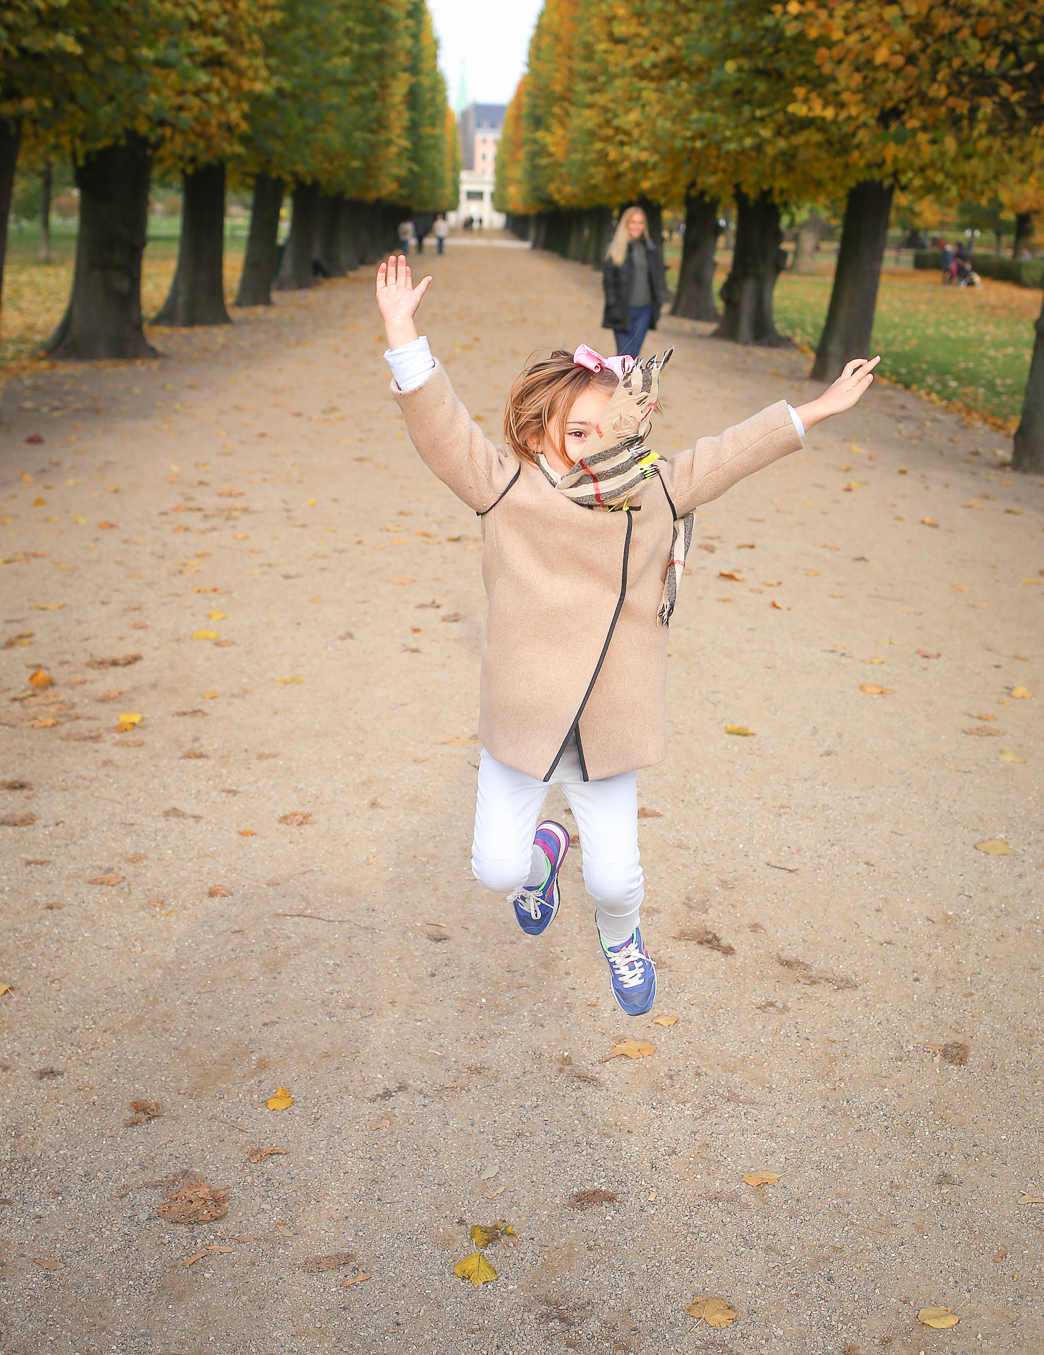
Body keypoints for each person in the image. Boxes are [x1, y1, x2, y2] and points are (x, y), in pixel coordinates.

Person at [374, 253, 879, 1016]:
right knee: (495, 871)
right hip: (523, 724)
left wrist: (815, 409)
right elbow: (445, 432)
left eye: (607, 430)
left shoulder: (656, 492)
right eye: (574, 431)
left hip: (609, 728)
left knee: (615, 880)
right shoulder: (507, 490)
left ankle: (623, 940)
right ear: (539, 429)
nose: (589, 446)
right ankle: (546, 855)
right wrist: (403, 332)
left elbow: (731, 452)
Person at [602, 206, 665, 360]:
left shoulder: (649, 249)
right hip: (622, 311)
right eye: (633, 222)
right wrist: (613, 306)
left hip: (644, 311)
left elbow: (654, 280)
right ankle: (619, 384)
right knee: (624, 358)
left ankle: (630, 385)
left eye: (640, 223)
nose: (637, 226)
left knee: (634, 357)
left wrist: (657, 304)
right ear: (626, 224)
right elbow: (608, 283)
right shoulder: (614, 250)